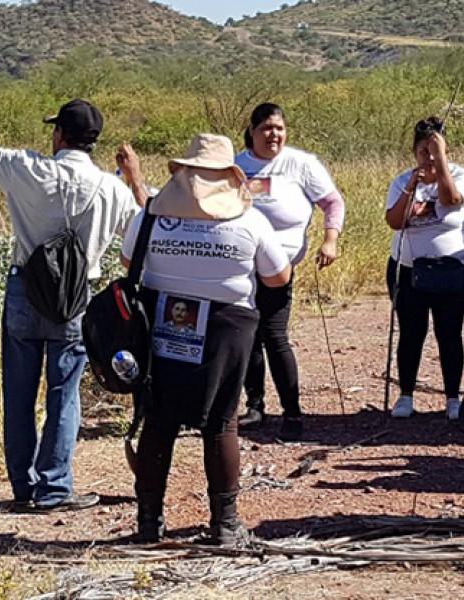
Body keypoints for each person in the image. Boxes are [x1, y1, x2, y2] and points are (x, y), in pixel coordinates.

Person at [121, 133, 291, 546]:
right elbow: (278, 277)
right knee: (220, 422)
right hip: (227, 327)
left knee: (158, 420)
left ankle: (148, 521)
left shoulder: (150, 216)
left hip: (161, 319)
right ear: (230, 176)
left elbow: (129, 262)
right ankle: (226, 523)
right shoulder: (249, 221)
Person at [0, 99, 141, 512]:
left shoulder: (27, 169)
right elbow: (137, 237)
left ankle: (22, 484)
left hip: (25, 290)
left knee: (18, 394)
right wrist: (133, 179)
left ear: (59, 135)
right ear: (94, 142)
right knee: (64, 392)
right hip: (75, 298)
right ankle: (54, 487)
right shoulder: (112, 189)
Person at [234, 102, 345, 440]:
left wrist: (330, 240)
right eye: (267, 128)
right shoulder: (235, 166)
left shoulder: (301, 164)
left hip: (279, 267)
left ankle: (292, 412)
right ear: (252, 131)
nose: (274, 135)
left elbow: (332, 202)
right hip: (239, 267)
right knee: (246, 337)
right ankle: (255, 405)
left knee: (274, 335)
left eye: (280, 128)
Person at [385, 116, 464, 421]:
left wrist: (441, 166)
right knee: (411, 332)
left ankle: (452, 398)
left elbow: (450, 201)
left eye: (435, 151)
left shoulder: (460, 175)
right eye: (424, 151)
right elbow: (396, 221)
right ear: (414, 152)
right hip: (408, 269)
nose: (429, 157)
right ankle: (406, 395)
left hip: (453, 269)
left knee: (449, 332)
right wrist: (413, 184)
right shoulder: (401, 181)